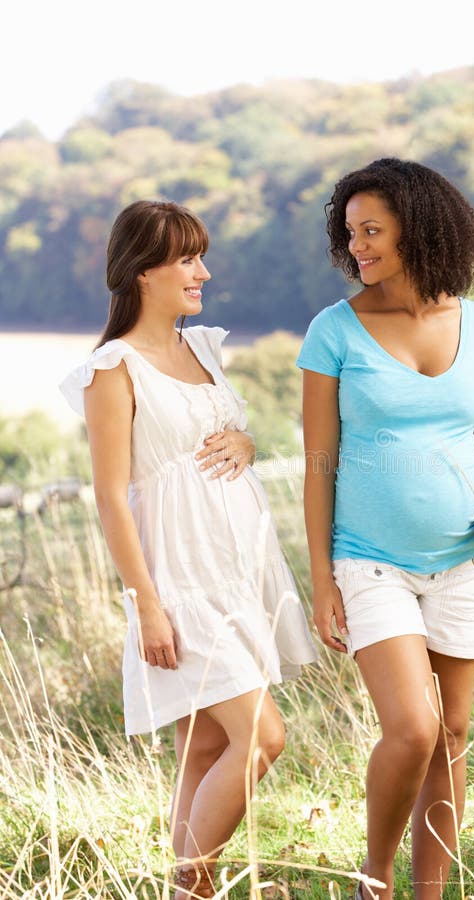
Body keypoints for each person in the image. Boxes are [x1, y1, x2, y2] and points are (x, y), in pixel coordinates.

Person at [60, 199, 317, 899]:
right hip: (178, 580)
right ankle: (187, 887)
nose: (202, 271)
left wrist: (247, 441)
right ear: (143, 270)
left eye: (200, 255)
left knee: (205, 749)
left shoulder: (202, 347)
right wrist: (147, 606)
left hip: (236, 566)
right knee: (263, 738)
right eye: (186, 258)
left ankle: (191, 894)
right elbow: (112, 494)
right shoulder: (112, 368)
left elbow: (229, 434)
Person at [296, 158, 474, 900]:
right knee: (414, 729)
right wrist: (322, 577)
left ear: (418, 230)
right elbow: (319, 461)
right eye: (350, 232)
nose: (357, 247)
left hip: (462, 560)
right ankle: (374, 876)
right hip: (369, 562)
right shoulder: (334, 330)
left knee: (451, 734)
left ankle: (431, 894)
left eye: (372, 231)